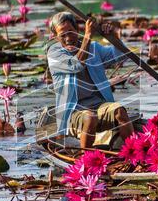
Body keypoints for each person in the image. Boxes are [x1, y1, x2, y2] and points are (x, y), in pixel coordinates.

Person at [46, 11, 135, 148]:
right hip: (73, 112)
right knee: (90, 117)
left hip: (100, 105)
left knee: (120, 111)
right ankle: (85, 159)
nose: (68, 38)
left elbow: (122, 55)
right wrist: (88, 35)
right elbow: (76, 65)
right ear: (56, 37)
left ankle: (133, 151)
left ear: (77, 30)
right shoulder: (54, 54)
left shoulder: (94, 48)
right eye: (62, 35)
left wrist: (113, 36)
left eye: (71, 31)